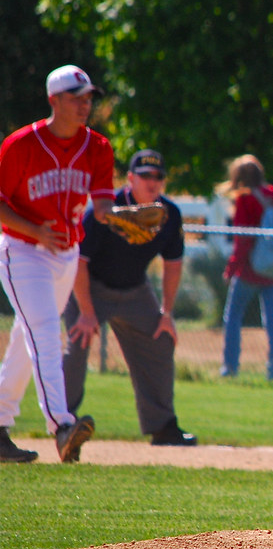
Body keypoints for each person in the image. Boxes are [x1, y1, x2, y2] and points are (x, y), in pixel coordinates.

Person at [0, 65, 115, 464]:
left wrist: (123, 218)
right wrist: (34, 229)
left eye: (89, 97)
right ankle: (62, 425)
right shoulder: (20, 145)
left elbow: (103, 207)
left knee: (26, 338)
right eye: (76, 97)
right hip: (23, 252)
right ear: (53, 100)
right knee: (47, 331)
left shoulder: (98, 147)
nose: (85, 104)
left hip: (66, 254)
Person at [62, 149, 197, 447]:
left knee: (161, 338)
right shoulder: (105, 210)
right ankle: (63, 423)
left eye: (158, 176)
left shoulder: (169, 214)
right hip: (89, 287)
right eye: (145, 175)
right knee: (79, 342)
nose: (152, 182)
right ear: (131, 179)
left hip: (135, 290)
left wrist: (167, 313)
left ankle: (163, 427)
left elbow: (173, 264)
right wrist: (86, 312)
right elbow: (78, 262)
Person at [218, 154, 273, 380]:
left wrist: (231, 269)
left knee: (233, 317)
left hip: (249, 271)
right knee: (272, 321)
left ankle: (230, 368)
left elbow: (242, 241)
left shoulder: (245, 199)